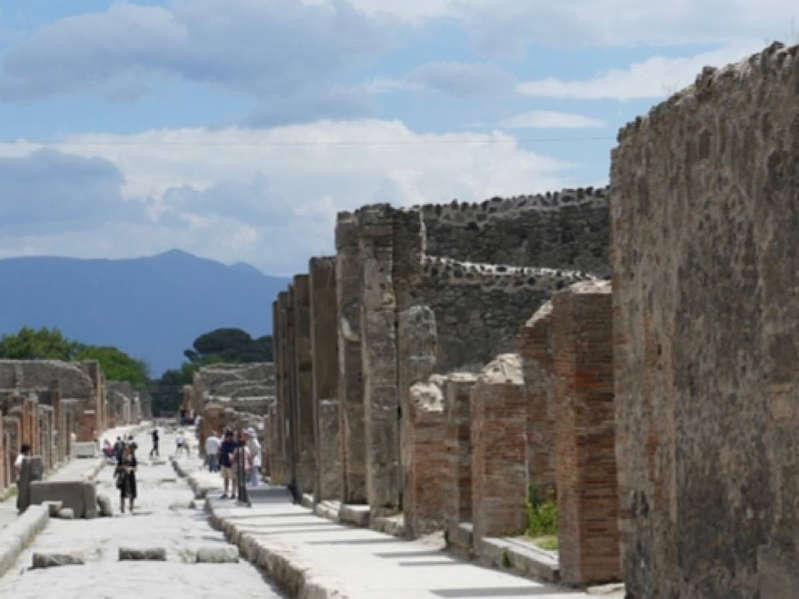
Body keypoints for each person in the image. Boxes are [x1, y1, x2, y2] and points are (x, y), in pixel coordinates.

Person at [115, 444, 137, 514]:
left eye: (128, 449)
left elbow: (136, 468)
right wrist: (123, 468)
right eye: (125, 449)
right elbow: (117, 467)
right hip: (123, 476)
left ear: (130, 450)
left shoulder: (133, 457)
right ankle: (122, 508)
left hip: (131, 476)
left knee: (132, 492)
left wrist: (130, 468)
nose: (126, 450)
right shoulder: (121, 458)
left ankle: (131, 507)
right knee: (123, 493)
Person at [232, 430, 252, 500]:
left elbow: (233, 459)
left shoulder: (237, 450)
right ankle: (244, 496)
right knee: (244, 482)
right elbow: (250, 459)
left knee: (240, 482)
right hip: (245, 467)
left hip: (239, 467)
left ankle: (241, 496)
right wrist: (250, 466)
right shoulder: (247, 449)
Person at [218, 430, 237, 499]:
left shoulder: (235, 444)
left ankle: (233, 493)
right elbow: (221, 453)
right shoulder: (223, 443)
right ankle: (225, 492)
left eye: (229, 437)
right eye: (227, 437)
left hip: (232, 465)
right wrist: (220, 463)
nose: (228, 438)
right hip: (224, 463)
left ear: (231, 437)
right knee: (225, 479)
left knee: (233, 479)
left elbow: (235, 454)